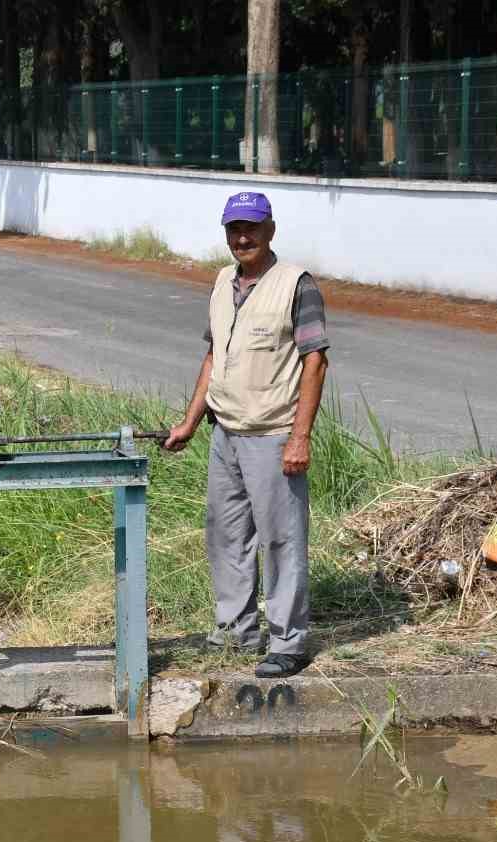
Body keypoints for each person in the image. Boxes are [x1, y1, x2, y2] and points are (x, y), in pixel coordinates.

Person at [162, 191, 330, 680]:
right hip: (226, 434)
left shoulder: (296, 285)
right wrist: (190, 423)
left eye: (251, 229)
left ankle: (288, 641)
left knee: (281, 541)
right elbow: (214, 357)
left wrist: (300, 437)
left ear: (270, 231)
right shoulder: (222, 283)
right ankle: (236, 628)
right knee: (226, 535)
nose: (242, 238)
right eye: (234, 229)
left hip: (274, 435)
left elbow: (315, 361)